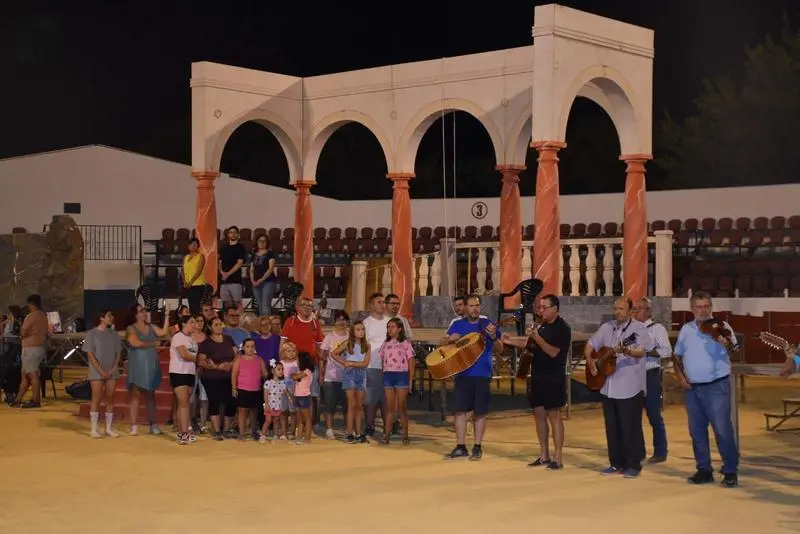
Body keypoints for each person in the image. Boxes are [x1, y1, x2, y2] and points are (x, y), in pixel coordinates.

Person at [673, 291, 739, 487]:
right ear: (692, 309)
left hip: (716, 385)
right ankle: (704, 469)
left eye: (707, 306)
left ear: (711, 307)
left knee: (722, 429)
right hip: (692, 388)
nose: (704, 310)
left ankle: (730, 471)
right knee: (697, 431)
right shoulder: (686, 329)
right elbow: (677, 356)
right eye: (699, 307)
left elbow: (734, 352)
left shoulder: (722, 327)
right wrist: (681, 379)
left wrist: (725, 343)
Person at [584, 297, 654, 478]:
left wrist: (627, 351)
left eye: (621, 309)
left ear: (631, 311)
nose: (617, 312)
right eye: (615, 308)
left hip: (630, 386)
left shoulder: (639, 329)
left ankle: (633, 464)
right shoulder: (607, 327)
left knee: (630, 427)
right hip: (608, 386)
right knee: (612, 427)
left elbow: (642, 351)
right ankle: (615, 463)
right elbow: (590, 344)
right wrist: (591, 359)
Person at [503, 294, 571, 469]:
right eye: (539, 307)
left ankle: (558, 457)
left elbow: (553, 352)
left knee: (554, 416)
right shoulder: (541, 325)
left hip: (553, 376)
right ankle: (544, 455)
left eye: (544, 307)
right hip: (538, 374)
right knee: (539, 415)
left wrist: (537, 337)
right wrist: (510, 341)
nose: (541, 311)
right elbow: (530, 344)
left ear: (555, 308)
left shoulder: (562, 328)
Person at [441, 295, 503, 460]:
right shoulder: (457, 324)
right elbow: (443, 344)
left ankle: (477, 446)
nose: (475, 308)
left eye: (477, 305)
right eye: (471, 306)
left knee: (480, 412)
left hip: (482, 373)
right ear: (465, 308)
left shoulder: (487, 324)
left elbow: (500, 349)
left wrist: (494, 337)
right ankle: (461, 446)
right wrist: (450, 340)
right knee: (459, 411)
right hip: (462, 373)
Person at [632, 297, 672, 463]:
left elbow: (667, 351)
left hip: (650, 374)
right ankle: (637, 452)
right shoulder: (630, 329)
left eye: (640, 308)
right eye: (634, 308)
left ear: (649, 311)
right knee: (633, 416)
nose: (636, 312)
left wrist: (645, 352)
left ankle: (660, 451)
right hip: (632, 375)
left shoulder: (657, 329)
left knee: (654, 414)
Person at [125, 303, 169, 436]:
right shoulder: (131, 328)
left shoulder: (151, 327)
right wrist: (153, 343)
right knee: (136, 393)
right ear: (135, 314)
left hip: (150, 363)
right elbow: (134, 343)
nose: (144, 313)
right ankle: (134, 425)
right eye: (141, 311)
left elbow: (164, 332)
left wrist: (167, 316)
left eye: (144, 311)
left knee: (151, 393)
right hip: (137, 363)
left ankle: (153, 424)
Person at [281, 297, 324, 427]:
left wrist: (321, 370)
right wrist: (281, 365)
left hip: (311, 367)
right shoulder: (291, 321)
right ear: (297, 307)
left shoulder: (316, 323)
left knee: (311, 396)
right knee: (293, 395)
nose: (306, 307)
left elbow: (319, 348)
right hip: (293, 367)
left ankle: (309, 426)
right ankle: (295, 426)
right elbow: (282, 345)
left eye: (309, 305)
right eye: (303, 305)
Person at [197, 317, 238, 440]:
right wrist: (216, 366)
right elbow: (200, 361)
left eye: (220, 324)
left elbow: (237, 356)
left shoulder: (229, 339)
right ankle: (217, 430)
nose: (219, 326)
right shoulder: (206, 343)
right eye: (216, 324)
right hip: (212, 377)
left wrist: (230, 364)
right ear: (210, 327)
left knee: (231, 402)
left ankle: (226, 429)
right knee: (214, 401)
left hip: (229, 376)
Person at [331, 321, 371, 444]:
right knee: (352, 404)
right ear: (353, 331)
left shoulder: (367, 346)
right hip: (350, 375)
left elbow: (365, 363)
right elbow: (334, 353)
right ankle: (349, 433)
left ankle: (358, 433)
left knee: (359, 406)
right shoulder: (348, 344)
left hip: (361, 374)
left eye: (362, 329)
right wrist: (344, 363)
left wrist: (351, 363)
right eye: (358, 329)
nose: (361, 332)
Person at [86, 309, 123, 438]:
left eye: (111, 315)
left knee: (110, 397)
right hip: (97, 371)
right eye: (108, 315)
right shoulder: (92, 333)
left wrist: (113, 368)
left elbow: (118, 352)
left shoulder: (113, 334)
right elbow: (90, 354)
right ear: (101, 318)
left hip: (111, 370)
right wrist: (100, 370)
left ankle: (108, 427)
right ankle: (94, 428)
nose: (111, 317)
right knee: (96, 398)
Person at [379, 317, 415, 446]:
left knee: (401, 408)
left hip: (401, 376)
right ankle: (387, 434)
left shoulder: (405, 343)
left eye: (392, 327)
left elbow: (411, 361)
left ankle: (405, 434)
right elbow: (383, 361)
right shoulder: (385, 343)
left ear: (400, 329)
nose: (389, 329)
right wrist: (383, 374)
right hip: (389, 376)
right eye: (388, 327)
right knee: (389, 408)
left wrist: (410, 380)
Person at [362, 292, 389, 437]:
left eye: (384, 302)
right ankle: (370, 425)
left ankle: (387, 426)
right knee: (371, 399)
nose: (382, 305)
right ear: (371, 305)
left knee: (386, 399)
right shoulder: (366, 323)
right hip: (372, 365)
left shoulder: (390, 322)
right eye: (379, 302)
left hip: (389, 366)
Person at [14, 294, 48, 409]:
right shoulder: (43, 315)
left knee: (32, 375)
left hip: (30, 349)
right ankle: (18, 399)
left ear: (30, 304)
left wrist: (20, 326)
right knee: (25, 375)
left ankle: (36, 400)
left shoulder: (30, 317)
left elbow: (22, 333)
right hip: (39, 348)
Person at [169, 316, 199, 445]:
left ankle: (186, 429)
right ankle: (183, 432)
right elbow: (183, 354)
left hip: (190, 373)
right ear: (183, 324)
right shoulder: (178, 337)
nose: (194, 324)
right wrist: (199, 360)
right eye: (191, 322)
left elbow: (191, 355)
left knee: (186, 403)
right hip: (178, 372)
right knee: (183, 403)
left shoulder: (192, 339)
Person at [320, 310, 349, 439]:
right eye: (339, 319)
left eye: (344, 319)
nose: (341, 322)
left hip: (348, 377)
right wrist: (321, 375)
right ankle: (329, 429)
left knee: (347, 406)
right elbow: (322, 357)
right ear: (334, 322)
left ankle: (349, 429)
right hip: (330, 377)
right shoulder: (329, 337)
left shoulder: (351, 337)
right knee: (330, 405)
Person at [231, 339, 268, 441]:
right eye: (247, 346)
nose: (250, 349)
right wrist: (234, 388)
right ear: (243, 348)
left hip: (255, 389)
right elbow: (234, 374)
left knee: (254, 411)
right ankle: (242, 433)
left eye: (252, 346)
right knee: (242, 411)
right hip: (242, 389)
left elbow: (264, 373)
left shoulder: (259, 360)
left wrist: (266, 374)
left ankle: (254, 431)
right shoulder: (239, 360)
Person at [218, 226, 247, 308]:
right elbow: (220, 262)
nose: (233, 234)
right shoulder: (223, 247)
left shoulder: (240, 247)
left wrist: (228, 274)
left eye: (235, 232)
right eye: (231, 232)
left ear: (238, 235)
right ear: (228, 235)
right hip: (224, 281)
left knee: (238, 305)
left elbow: (239, 263)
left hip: (235, 281)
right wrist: (222, 272)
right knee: (226, 306)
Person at [290, 351, 315, 444]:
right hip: (297, 396)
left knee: (307, 419)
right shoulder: (300, 371)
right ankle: (299, 437)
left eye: (297, 359)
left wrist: (294, 375)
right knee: (299, 420)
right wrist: (294, 375)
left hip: (304, 397)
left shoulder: (307, 371)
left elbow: (294, 377)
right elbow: (293, 376)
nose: (296, 361)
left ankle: (307, 438)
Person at [261, 361, 288, 442]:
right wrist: (266, 404)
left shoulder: (282, 383)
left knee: (276, 420)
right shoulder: (268, 383)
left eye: (282, 369)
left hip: (278, 405)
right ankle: (263, 435)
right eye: (279, 369)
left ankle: (275, 435)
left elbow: (284, 392)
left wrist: (289, 397)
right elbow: (265, 394)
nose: (281, 371)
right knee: (268, 421)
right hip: (270, 405)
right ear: (272, 371)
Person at [249, 235, 277, 315]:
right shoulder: (254, 254)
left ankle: (267, 326)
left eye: (264, 241)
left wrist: (261, 280)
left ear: (267, 243)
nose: (262, 243)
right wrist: (253, 281)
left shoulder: (270, 253)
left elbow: (270, 269)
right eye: (260, 241)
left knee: (265, 305)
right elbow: (251, 269)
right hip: (255, 283)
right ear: (257, 242)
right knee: (260, 306)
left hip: (268, 281)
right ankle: (262, 326)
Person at [182, 238, 206, 315]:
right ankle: (194, 322)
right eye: (191, 244)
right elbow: (183, 270)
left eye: (195, 244)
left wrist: (191, 282)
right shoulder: (186, 257)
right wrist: (185, 282)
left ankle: (198, 322)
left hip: (197, 285)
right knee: (191, 306)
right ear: (188, 246)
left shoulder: (200, 256)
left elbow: (198, 271)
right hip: (188, 285)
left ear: (198, 246)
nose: (193, 246)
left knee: (196, 307)